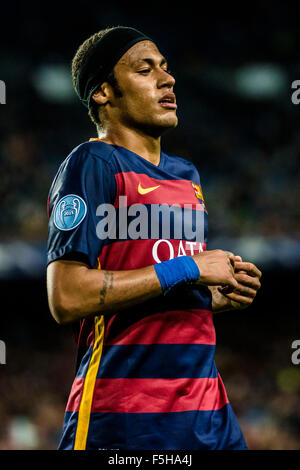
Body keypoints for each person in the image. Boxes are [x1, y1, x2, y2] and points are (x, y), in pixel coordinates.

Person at [46, 26, 262, 450]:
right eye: (145, 70)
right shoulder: (91, 163)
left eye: (165, 68)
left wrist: (206, 296)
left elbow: (157, 280)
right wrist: (191, 267)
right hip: (126, 421)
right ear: (103, 93)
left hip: (208, 415)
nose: (168, 79)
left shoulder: (188, 177)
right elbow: (66, 296)